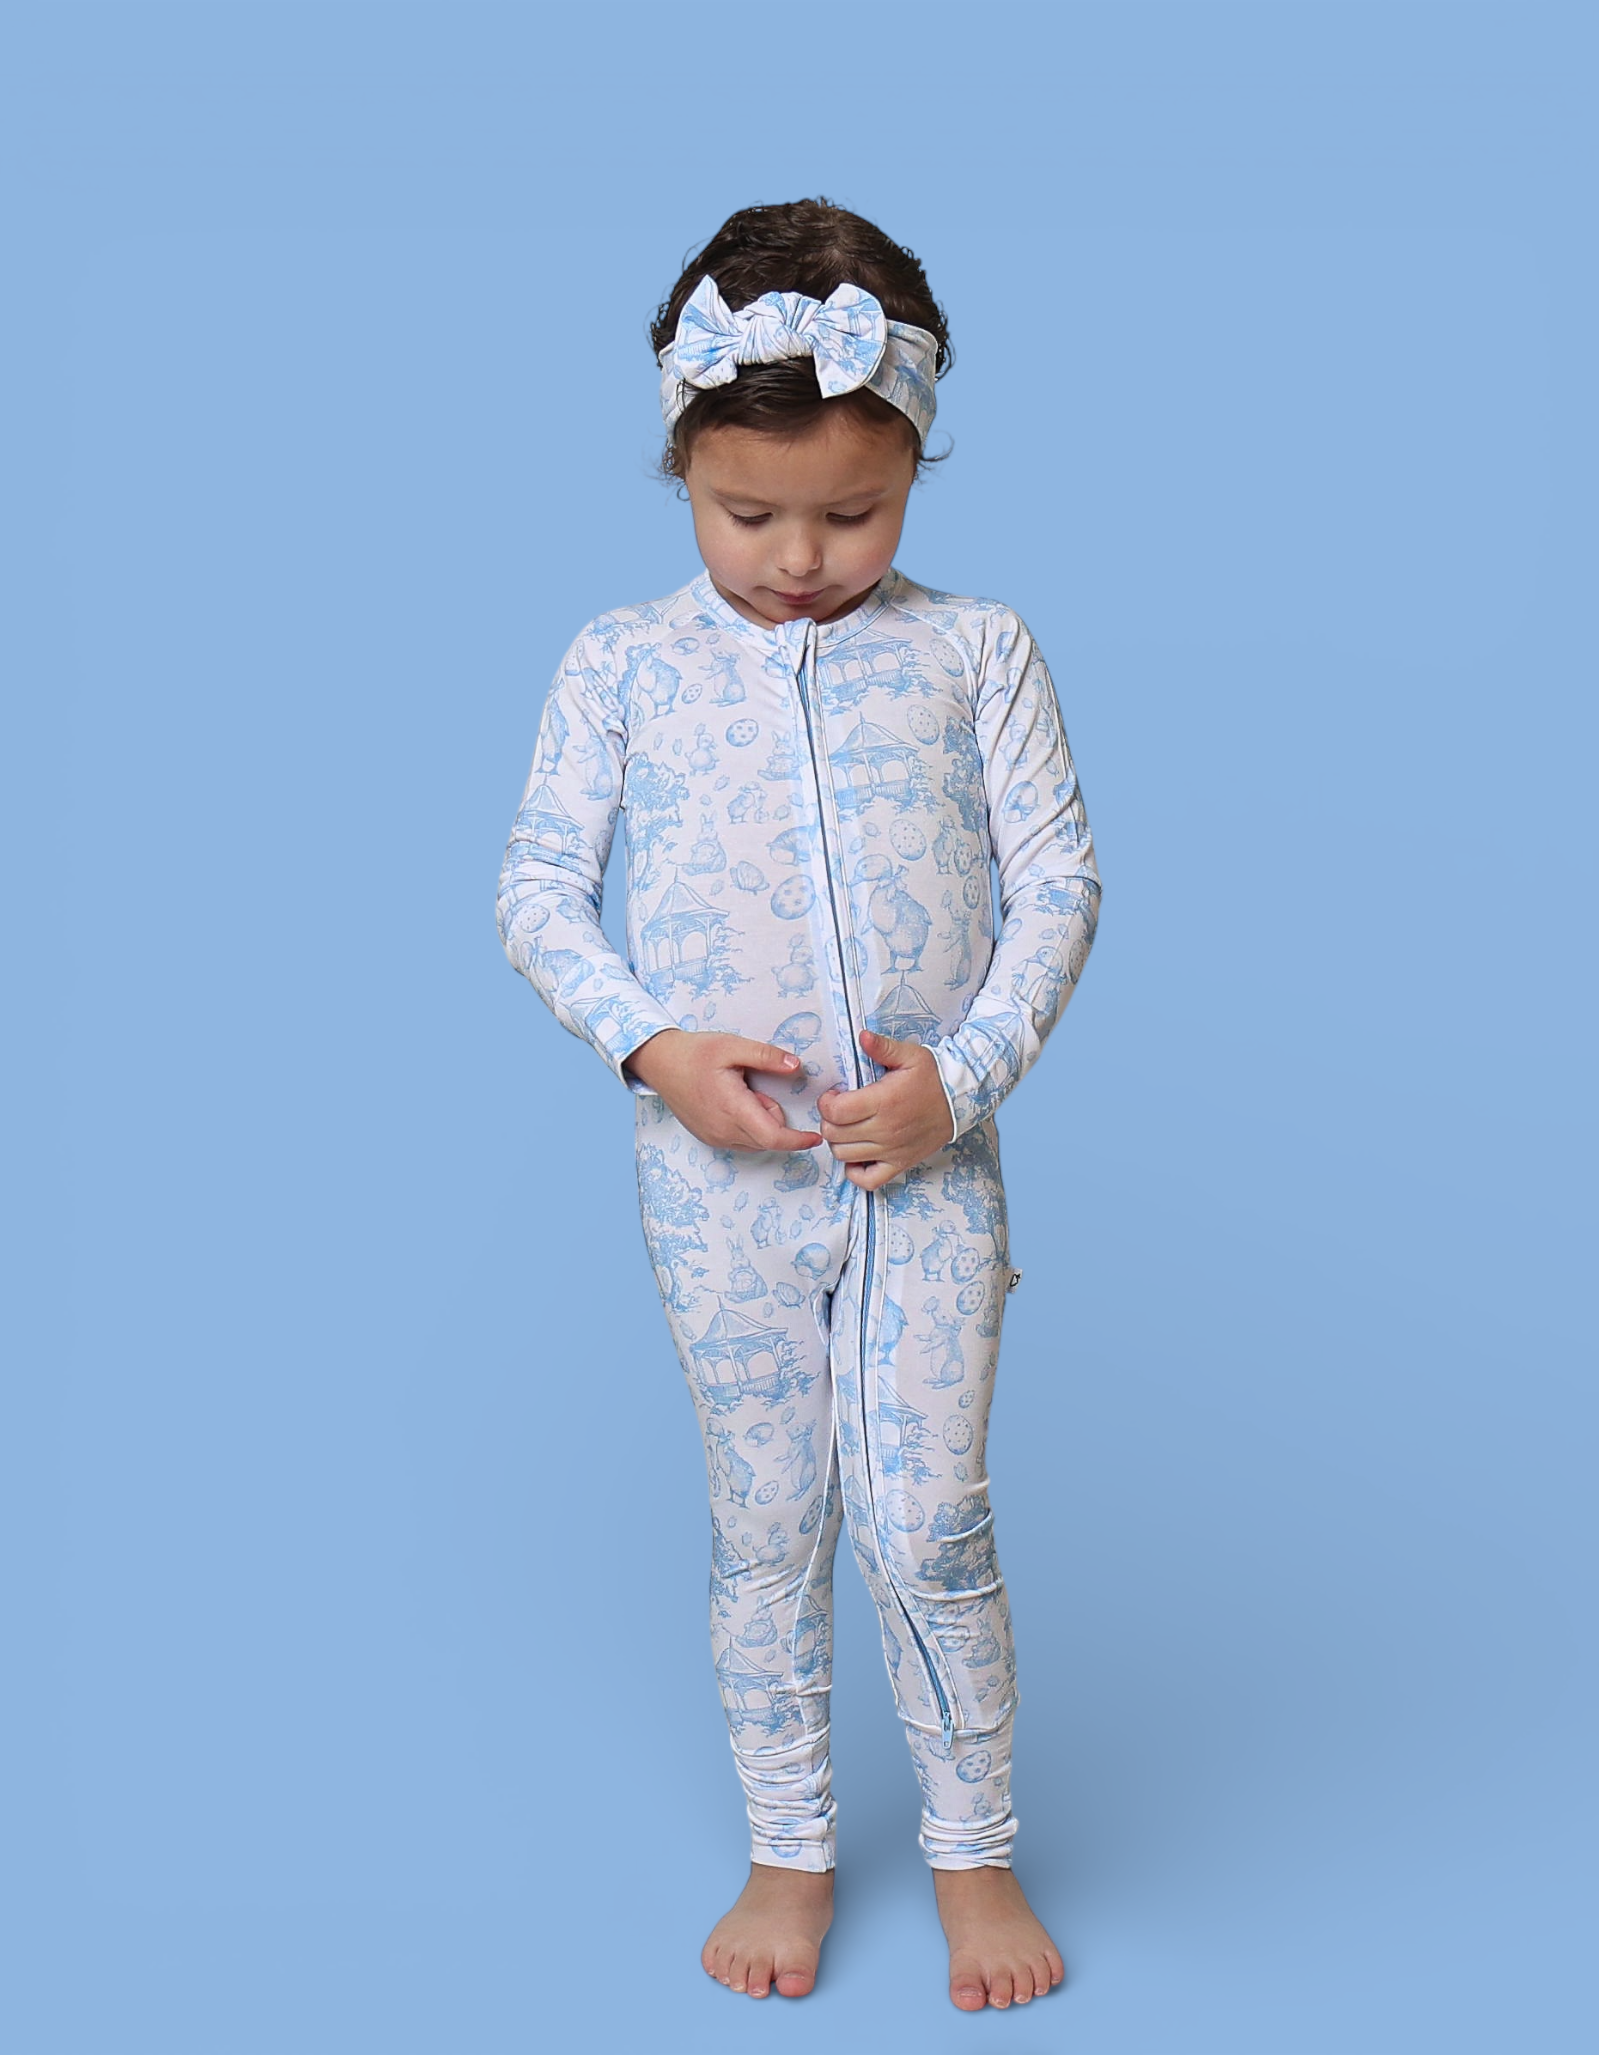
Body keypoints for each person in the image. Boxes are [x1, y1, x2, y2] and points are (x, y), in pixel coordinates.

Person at [496, 197, 1101, 2011]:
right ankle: (788, 1847)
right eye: (745, 513)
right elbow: (536, 891)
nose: (798, 558)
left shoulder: (977, 648)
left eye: (853, 512)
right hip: (718, 1185)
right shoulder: (620, 662)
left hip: (929, 1167)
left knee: (929, 1522)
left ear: (913, 461)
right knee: (769, 1525)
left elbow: (1059, 882)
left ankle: (974, 1852)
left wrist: (960, 1082)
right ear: (681, 465)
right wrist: (655, 1047)